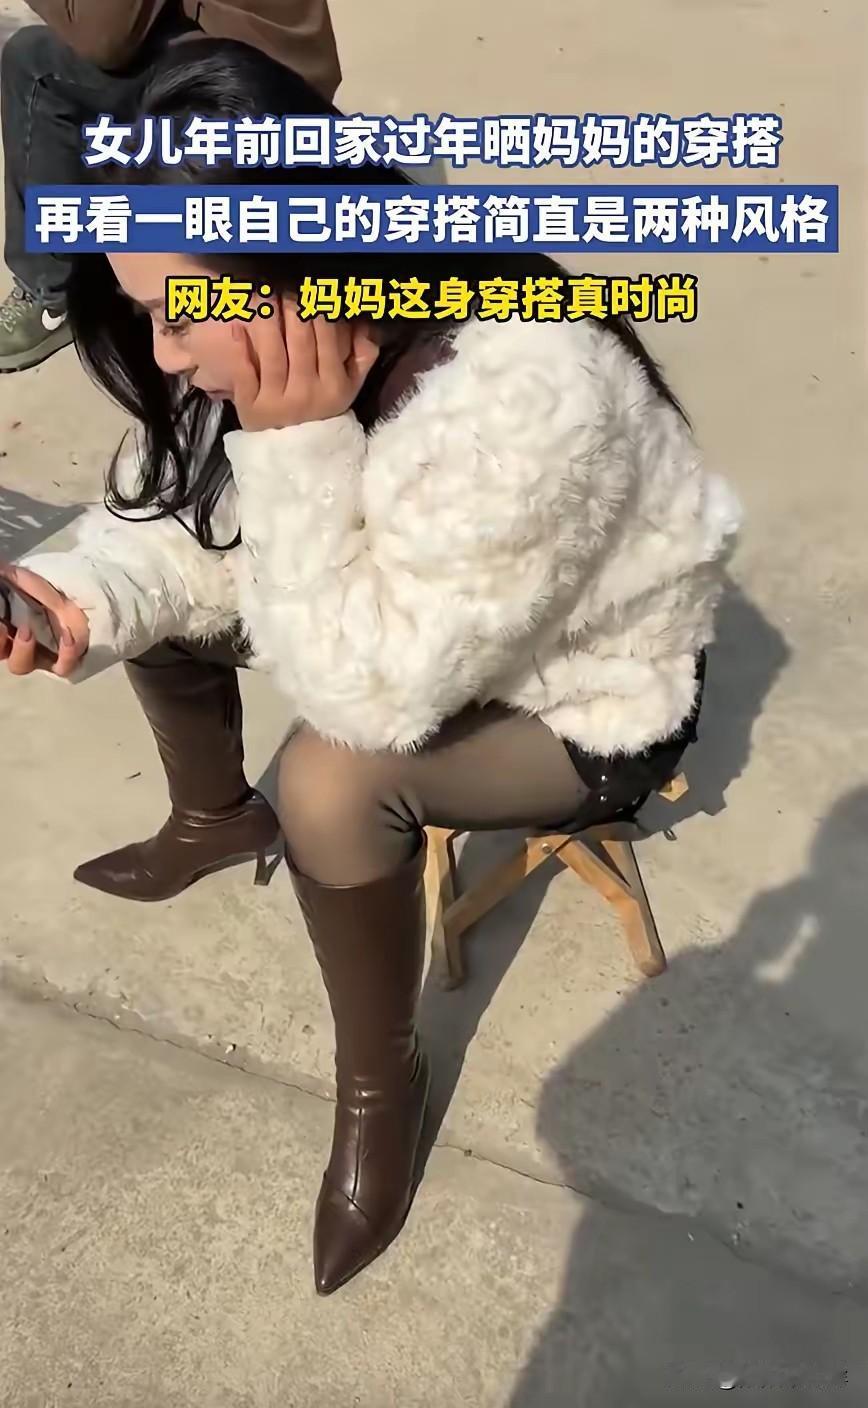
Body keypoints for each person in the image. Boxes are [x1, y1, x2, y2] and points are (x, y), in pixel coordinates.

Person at [0, 40, 741, 1294]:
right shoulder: (309, 308)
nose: (164, 352)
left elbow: (371, 696)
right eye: (143, 308)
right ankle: (209, 814)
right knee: (173, 592)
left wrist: (293, 443)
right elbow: (185, 511)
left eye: (180, 313)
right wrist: (74, 594)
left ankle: (378, 1083)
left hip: (583, 695)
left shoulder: (520, 402)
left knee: (332, 781)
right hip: (423, 620)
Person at [0, 0, 340, 371]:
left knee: (33, 61)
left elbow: (104, 39)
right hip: (293, 67)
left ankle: (50, 293)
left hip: (246, 92)